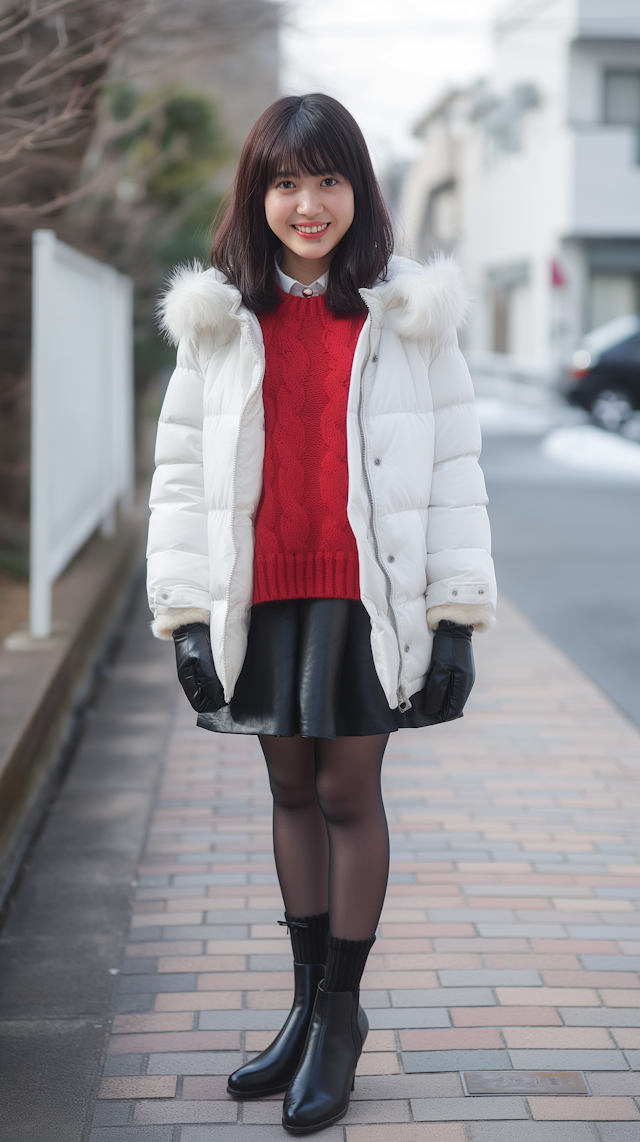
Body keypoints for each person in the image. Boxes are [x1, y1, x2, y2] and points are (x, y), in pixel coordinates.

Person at [147, 93, 496, 1135]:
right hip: (261, 593)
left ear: (359, 190)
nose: (308, 203)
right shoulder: (218, 321)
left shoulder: (407, 318)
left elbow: (453, 471)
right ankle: (303, 1008)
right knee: (289, 785)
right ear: (256, 195)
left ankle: (340, 1018)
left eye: (327, 179)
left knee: (348, 788)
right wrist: (187, 615)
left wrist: (454, 618)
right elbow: (178, 476)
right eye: (285, 182)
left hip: (363, 593)